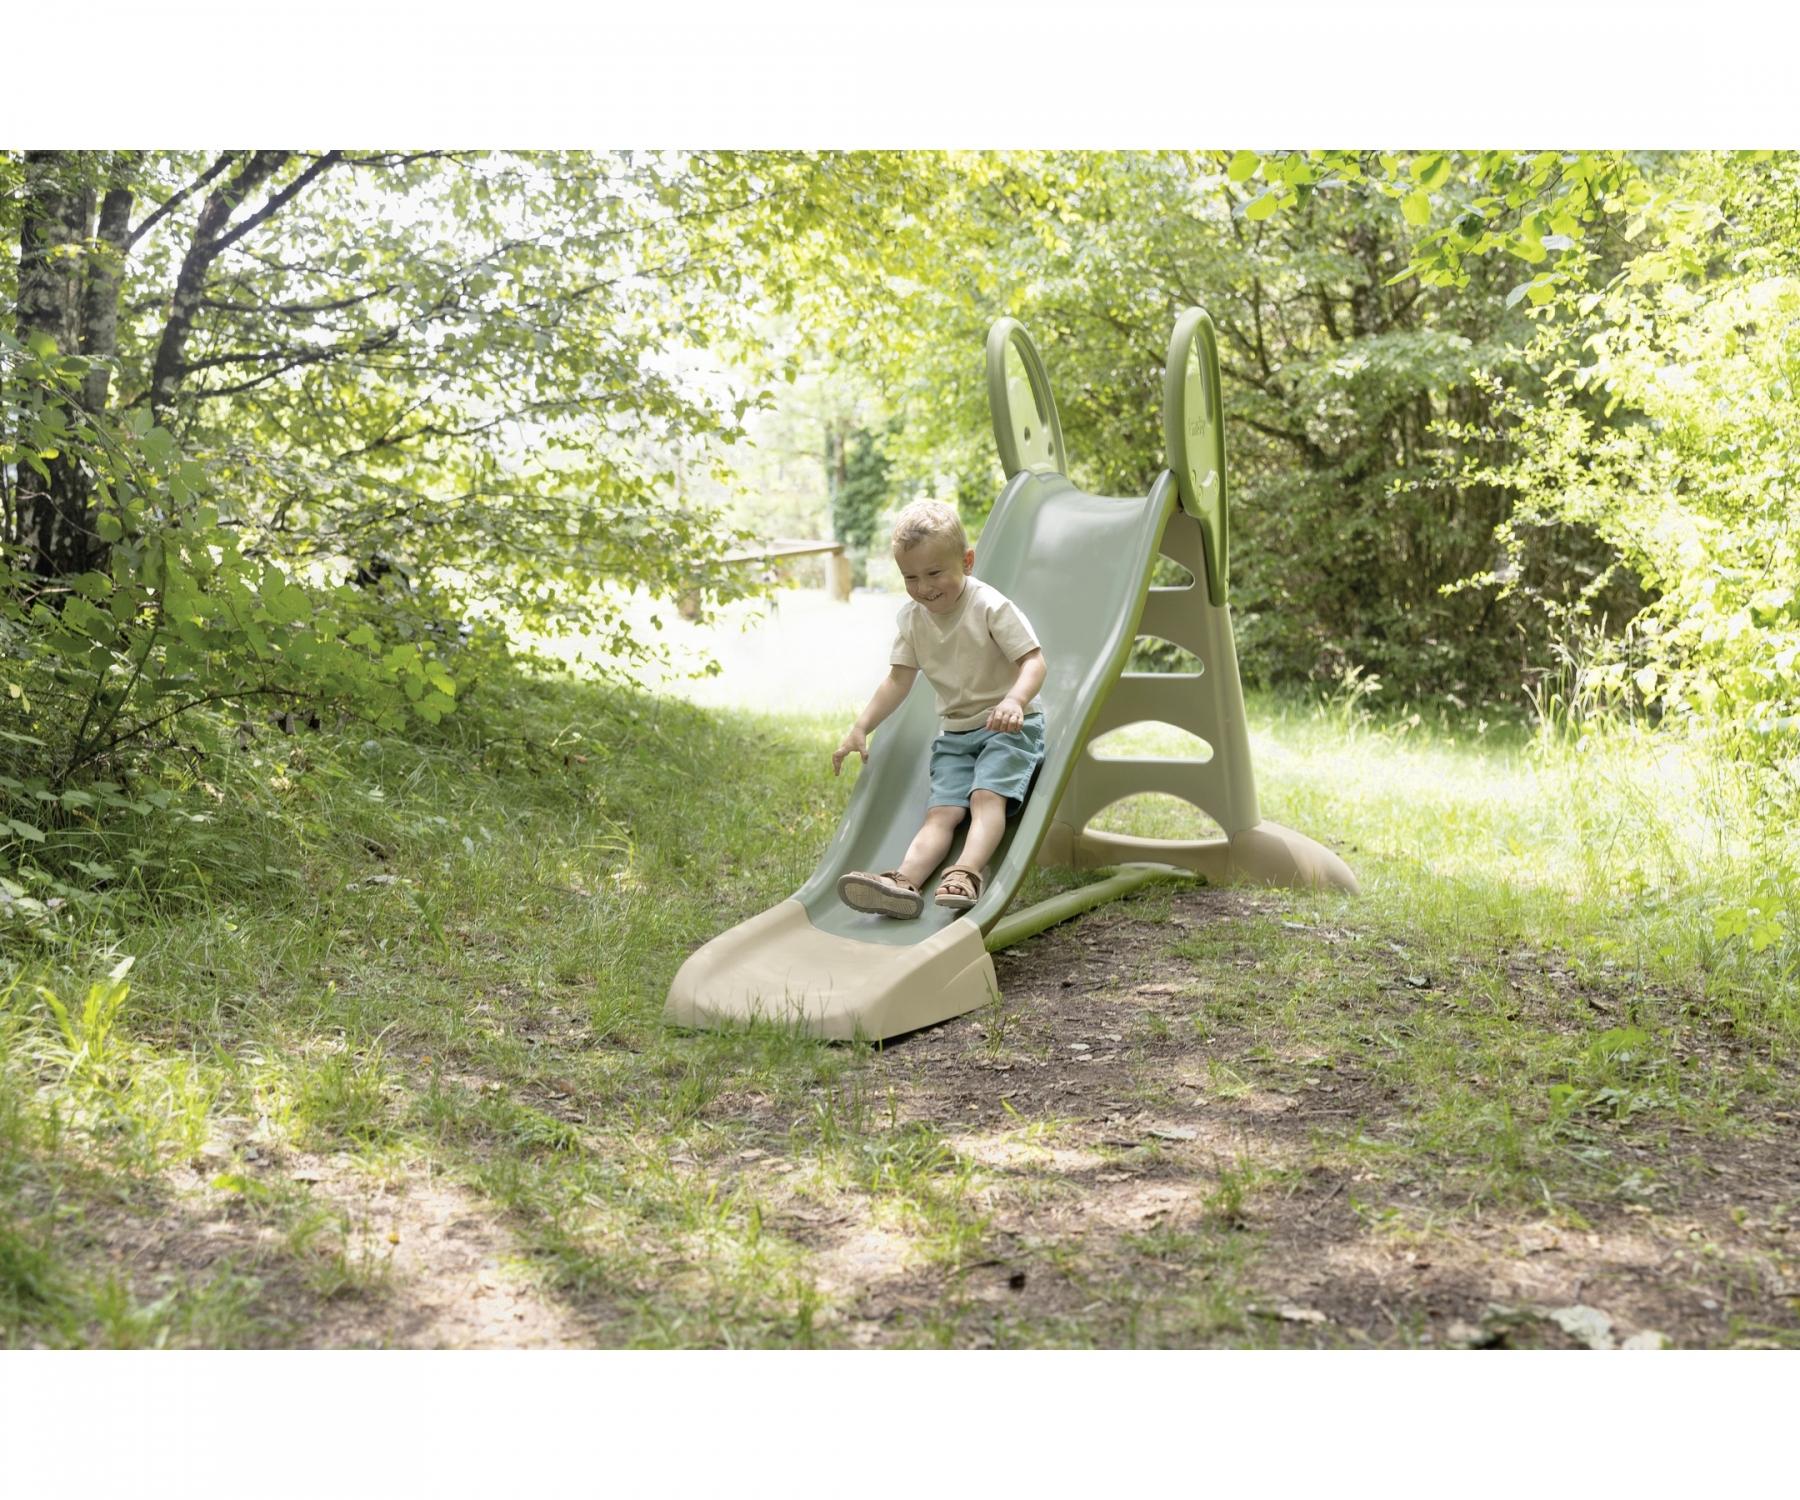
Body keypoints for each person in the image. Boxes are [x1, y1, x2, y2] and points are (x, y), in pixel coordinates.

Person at [831, 499, 1047, 917]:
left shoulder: (990, 606)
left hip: (1007, 727)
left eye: (934, 573)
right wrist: (861, 726)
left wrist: (1014, 701)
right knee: (941, 812)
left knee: (985, 797)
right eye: (910, 577)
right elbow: (897, 680)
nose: (923, 587)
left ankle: (966, 872)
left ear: (966, 561)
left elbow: (1034, 661)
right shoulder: (913, 620)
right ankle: (902, 882)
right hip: (956, 734)